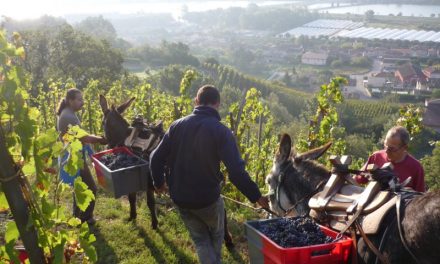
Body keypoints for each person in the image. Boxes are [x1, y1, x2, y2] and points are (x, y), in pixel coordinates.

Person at [150, 85, 269, 264]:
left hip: (181, 198)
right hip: (208, 200)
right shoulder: (221, 131)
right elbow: (236, 173)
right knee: (215, 238)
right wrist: (257, 196)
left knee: (200, 240)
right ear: (218, 104)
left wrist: (159, 184)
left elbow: (155, 157)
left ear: (196, 101)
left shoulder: (176, 126)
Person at [57, 88, 107, 224]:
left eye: (82, 99)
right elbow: (83, 137)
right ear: (70, 100)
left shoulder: (69, 113)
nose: (82, 102)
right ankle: (86, 218)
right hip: (74, 158)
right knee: (90, 187)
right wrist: (101, 139)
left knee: (79, 188)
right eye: (79, 99)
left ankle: (77, 217)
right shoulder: (68, 116)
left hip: (75, 156)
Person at [355, 126, 425, 192]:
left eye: (391, 149)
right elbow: (357, 179)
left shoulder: (416, 168)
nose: (386, 151)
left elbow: (421, 199)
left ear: (404, 148)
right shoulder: (376, 157)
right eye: (385, 145)